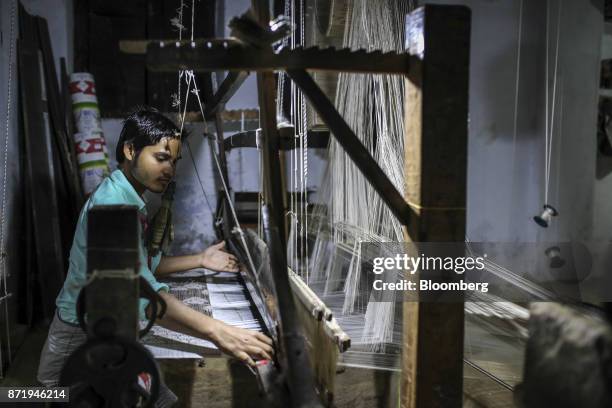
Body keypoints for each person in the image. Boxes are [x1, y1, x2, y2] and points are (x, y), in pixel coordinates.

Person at [37, 108, 273, 406]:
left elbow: (142, 268)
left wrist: (201, 259)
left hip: (108, 326)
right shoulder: (113, 204)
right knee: (48, 395)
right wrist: (219, 331)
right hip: (78, 330)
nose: (170, 170)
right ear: (130, 149)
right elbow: (140, 293)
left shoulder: (128, 196)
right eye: (161, 158)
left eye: (174, 162)